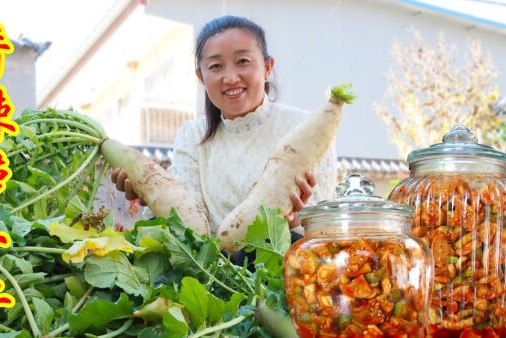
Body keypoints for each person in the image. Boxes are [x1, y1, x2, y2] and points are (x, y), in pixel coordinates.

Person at [111, 15, 337, 260]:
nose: (230, 77)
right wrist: (150, 194)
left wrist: (294, 222)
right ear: (201, 77)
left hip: (285, 268)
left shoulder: (308, 127)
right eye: (216, 66)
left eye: (242, 61)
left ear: (267, 67)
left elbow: (324, 230)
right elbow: (189, 222)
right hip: (214, 275)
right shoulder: (192, 135)